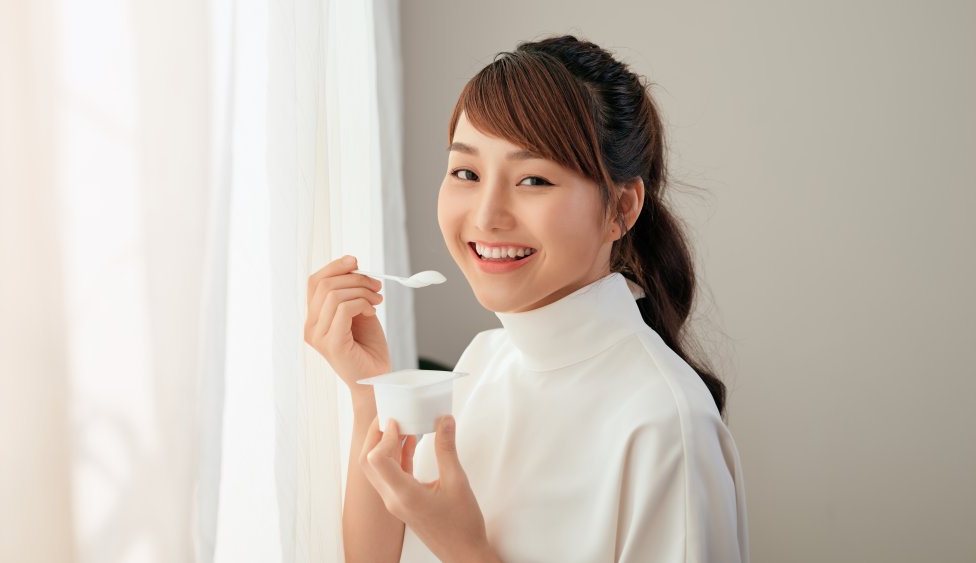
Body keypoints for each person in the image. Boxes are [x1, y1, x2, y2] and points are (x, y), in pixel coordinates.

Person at [305, 34, 749, 563]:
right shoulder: (482, 363)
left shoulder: (665, 426)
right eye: (466, 172)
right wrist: (369, 394)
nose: (488, 215)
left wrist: (465, 549)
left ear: (621, 209)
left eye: (533, 179)